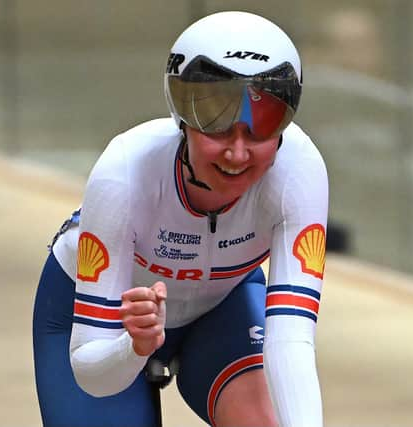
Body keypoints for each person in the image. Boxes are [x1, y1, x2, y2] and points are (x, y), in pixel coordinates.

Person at [32, 10, 328, 427]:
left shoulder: (299, 171)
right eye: (216, 125)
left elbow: (292, 341)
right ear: (182, 119)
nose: (238, 154)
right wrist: (134, 346)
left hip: (222, 305)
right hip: (113, 327)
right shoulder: (124, 173)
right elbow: (92, 376)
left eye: (261, 128)